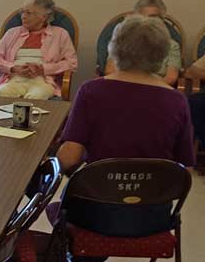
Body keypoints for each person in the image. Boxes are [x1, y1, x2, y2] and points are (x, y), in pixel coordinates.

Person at [56, 16, 194, 261]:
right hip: (152, 217)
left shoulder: (91, 91)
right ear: (162, 54)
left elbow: (69, 158)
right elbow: (184, 165)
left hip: (94, 214)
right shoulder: (177, 100)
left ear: (114, 48)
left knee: (61, 198)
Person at [0, 0, 77, 100]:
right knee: (2, 93)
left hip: (43, 81)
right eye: (22, 12)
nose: (23, 16)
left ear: (44, 17)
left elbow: (71, 63)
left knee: (36, 97)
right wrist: (13, 68)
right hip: (14, 79)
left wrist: (43, 69)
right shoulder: (12, 33)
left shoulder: (60, 34)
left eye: (28, 13)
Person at [103, 0, 181, 86]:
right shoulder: (122, 40)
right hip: (122, 86)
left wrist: (145, 88)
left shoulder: (172, 45)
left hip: (156, 90)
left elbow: (171, 78)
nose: (148, 22)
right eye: (143, 17)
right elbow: (110, 71)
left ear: (162, 21)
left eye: (154, 18)